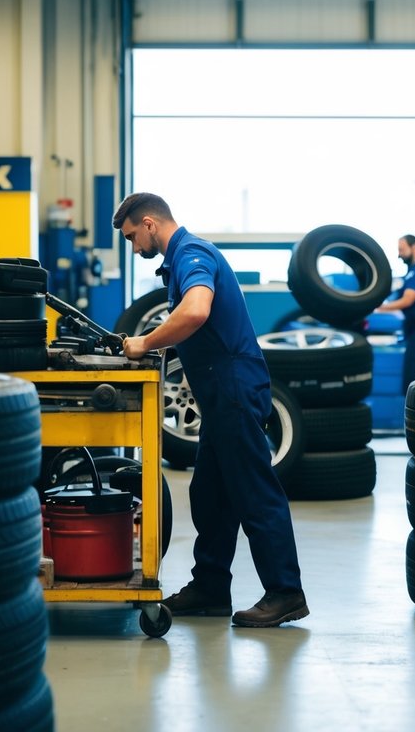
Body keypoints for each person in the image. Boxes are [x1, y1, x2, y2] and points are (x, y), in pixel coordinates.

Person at [114, 192, 308, 628]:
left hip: (235, 388)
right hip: (219, 395)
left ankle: (285, 592)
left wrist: (145, 342)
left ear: (149, 223)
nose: (133, 247)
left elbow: (197, 310)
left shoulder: (192, 252)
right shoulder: (179, 260)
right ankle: (211, 586)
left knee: (254, 491)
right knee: (210, 495)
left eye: (131, 237)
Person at [375, 234, 415, 391]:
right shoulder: (410, 275)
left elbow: (407, 300)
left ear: (414, 248)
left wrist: (378, 307)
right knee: (413, 379)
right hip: (414, 330)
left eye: (402, 250)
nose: (399, 254)